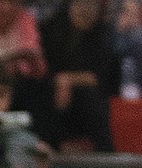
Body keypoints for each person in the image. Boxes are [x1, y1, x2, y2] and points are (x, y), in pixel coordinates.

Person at [36, 0, 118, 152]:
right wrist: (59, 81)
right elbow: (42, 69)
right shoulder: (51, 27)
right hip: (53, 90)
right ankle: (46, 150)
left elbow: (100, 76)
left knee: (90, 98)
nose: (85, 11)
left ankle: (106, 155)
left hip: (87, 97)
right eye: (81, 5)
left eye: (91, 6)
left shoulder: (104, 33)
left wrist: (68, 80)